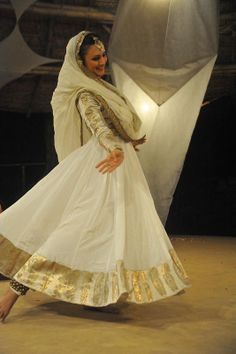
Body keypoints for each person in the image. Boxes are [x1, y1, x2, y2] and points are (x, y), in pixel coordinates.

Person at [0, 31, 190, 323]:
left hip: (116, 166)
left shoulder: (101, 87)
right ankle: (12, 291)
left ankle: (98, 295)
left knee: (108, 233)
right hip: (103, 168)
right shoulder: (85, 93)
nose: (103, 61)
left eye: (103, 55)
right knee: (73, 230)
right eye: (95, 57)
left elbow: (110, 125)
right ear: (80, 62)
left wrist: (127, 141)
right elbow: (97, 124)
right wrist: (114, 147)